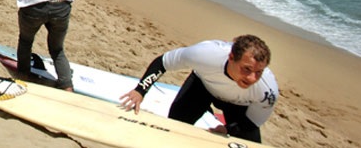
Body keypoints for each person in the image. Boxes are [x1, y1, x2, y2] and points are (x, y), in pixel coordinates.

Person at [119, 35, 278, 142]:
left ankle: (210, 113)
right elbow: (163, 62)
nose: (252, 78)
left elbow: (251, 123)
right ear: (231, 58)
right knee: (174, 129)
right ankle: (205, 109)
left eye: (259, 72)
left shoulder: (266, 91)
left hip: (239, 105)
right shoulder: (205, 54)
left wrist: (228, 128)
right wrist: (140, 90)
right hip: (203, 87)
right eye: (247, 69)